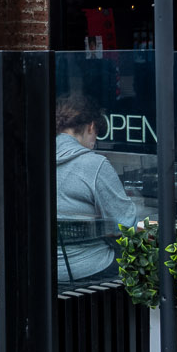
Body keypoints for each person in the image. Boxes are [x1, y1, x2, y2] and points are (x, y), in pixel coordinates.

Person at [54, 96, 138, 285]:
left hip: (37, 268)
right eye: (96, 134)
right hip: (89, 268)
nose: (95, 142)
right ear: (91, 126)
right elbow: (126, 225)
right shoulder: (95, 164)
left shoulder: (31, 158)